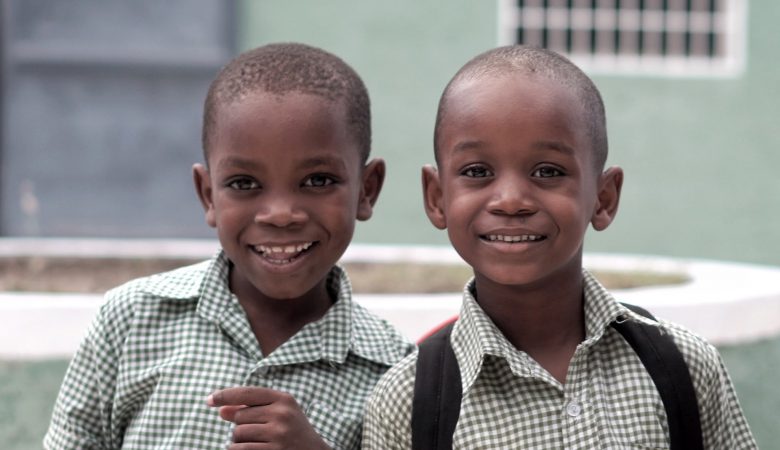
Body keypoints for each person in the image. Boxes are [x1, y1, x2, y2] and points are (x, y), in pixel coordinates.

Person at [362, 45, 756, 449]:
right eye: (477, 172)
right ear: (436, 197)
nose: (511, 200)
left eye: (548, 171)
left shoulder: (684, 368)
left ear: (603, 198)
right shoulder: (408, 403)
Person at [44, 42, 413, 450]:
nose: (280, 213)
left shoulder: (395, 371)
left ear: (367, 190)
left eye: (317, 181)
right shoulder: (132, 320)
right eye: (244, 184)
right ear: (208, 195)